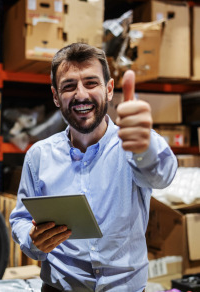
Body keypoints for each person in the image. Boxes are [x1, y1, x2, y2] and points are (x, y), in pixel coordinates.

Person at [9, 43, 177, 292]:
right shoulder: (39, 156)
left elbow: (163, 176)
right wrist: (33, 242)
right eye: (69, 86)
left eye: (91, 83)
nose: (81, 95)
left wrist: (145, 147)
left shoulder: (136, 143)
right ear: (55, 96)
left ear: (109, 90)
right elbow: (21, 219)